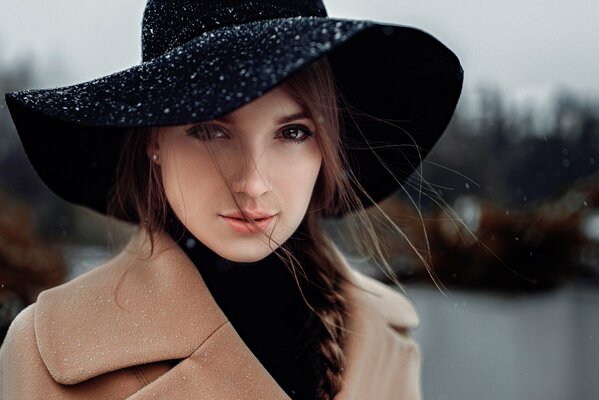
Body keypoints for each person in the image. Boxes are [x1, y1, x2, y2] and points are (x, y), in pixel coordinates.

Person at [0, 0, 463, 398]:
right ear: (152, 141)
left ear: (328, 145)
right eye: (210, 129)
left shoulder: (383, 338)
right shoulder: (54, 353)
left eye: (294, 132)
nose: (253, 183)